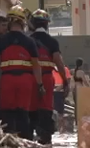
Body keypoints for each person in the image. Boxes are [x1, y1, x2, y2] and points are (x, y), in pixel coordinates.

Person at [0, 6, 44, 138]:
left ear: (9, 21)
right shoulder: (30, 41)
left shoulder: (1, 40)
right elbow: (36, 65)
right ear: (23, 23)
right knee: (23, 113)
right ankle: (26, 141)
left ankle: (9, 141)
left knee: (7, 113)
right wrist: (40, 84)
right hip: (25, 81)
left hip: (7, 80)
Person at [26, 9, 67, 137]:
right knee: (46, 107)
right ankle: (45, 137)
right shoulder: (52, 42)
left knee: (30, 107)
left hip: (30, 78)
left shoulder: (28, 40)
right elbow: (59, 63)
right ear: (47, 24)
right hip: (47, 79)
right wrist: (65, 81)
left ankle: (29, 135)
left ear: (32, 24)